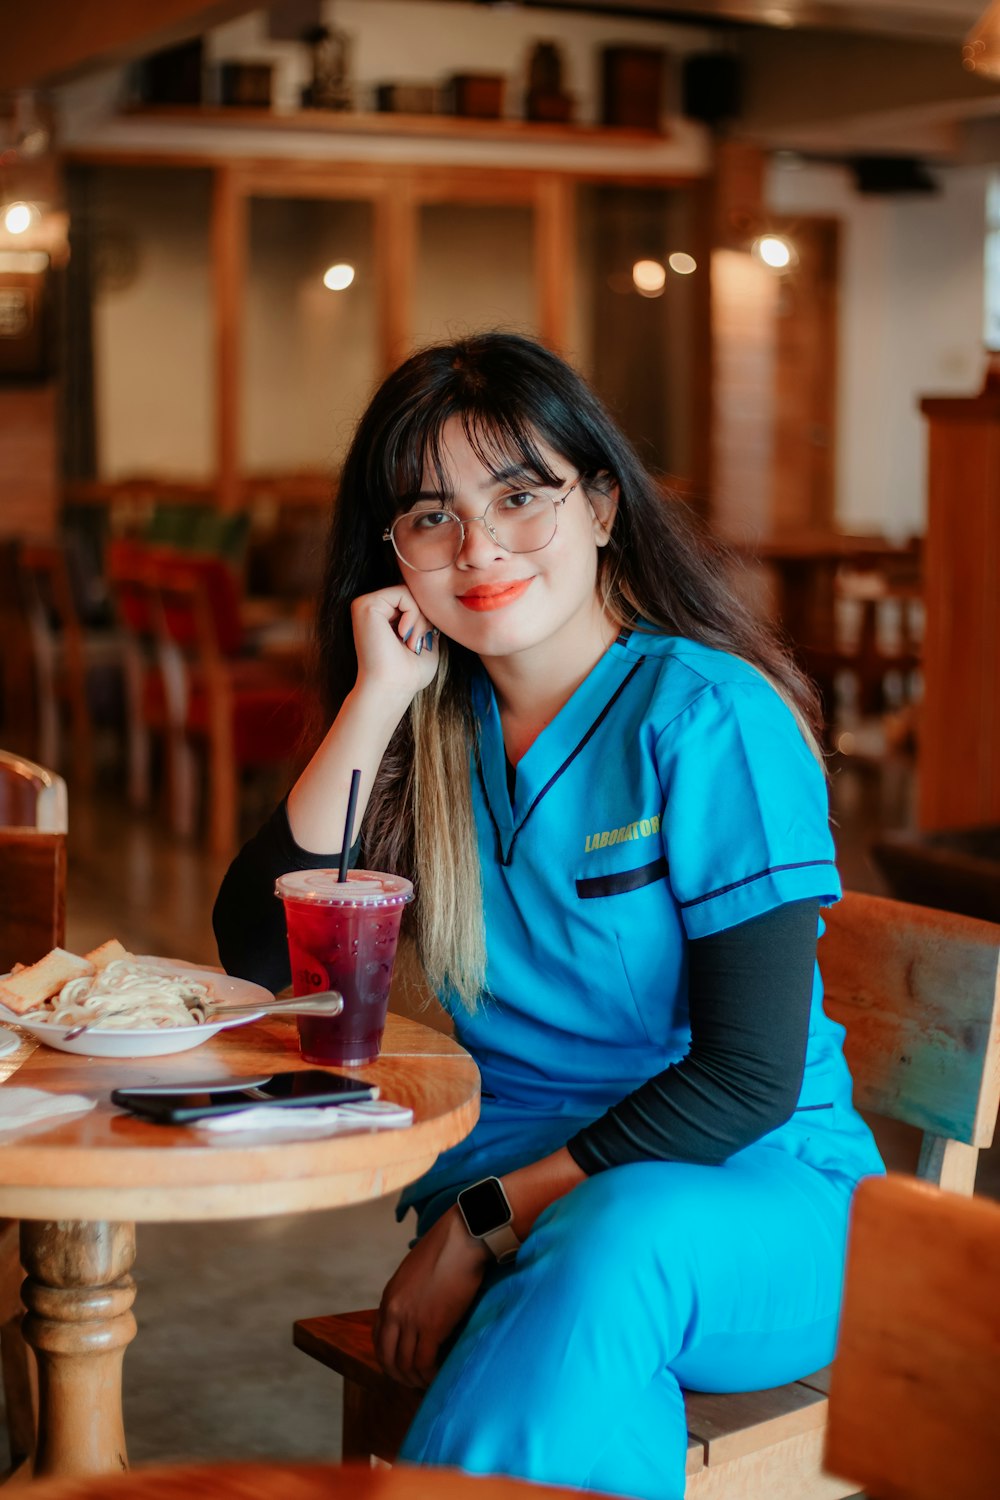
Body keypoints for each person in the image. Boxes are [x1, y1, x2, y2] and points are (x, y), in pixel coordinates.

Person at [214, 332, 884, 1500]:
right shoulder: (432, 733)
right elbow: (262, 950)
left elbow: (747, 1079)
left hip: (755, 1201)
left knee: (613, 1252)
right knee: (591, 1359)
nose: (478, 549)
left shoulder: (707, 716)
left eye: (520, 496)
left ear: (603, 506)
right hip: (545, 1220)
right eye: (431, 517)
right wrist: (376, 700)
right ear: (392, 555)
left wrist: (476, 1223)